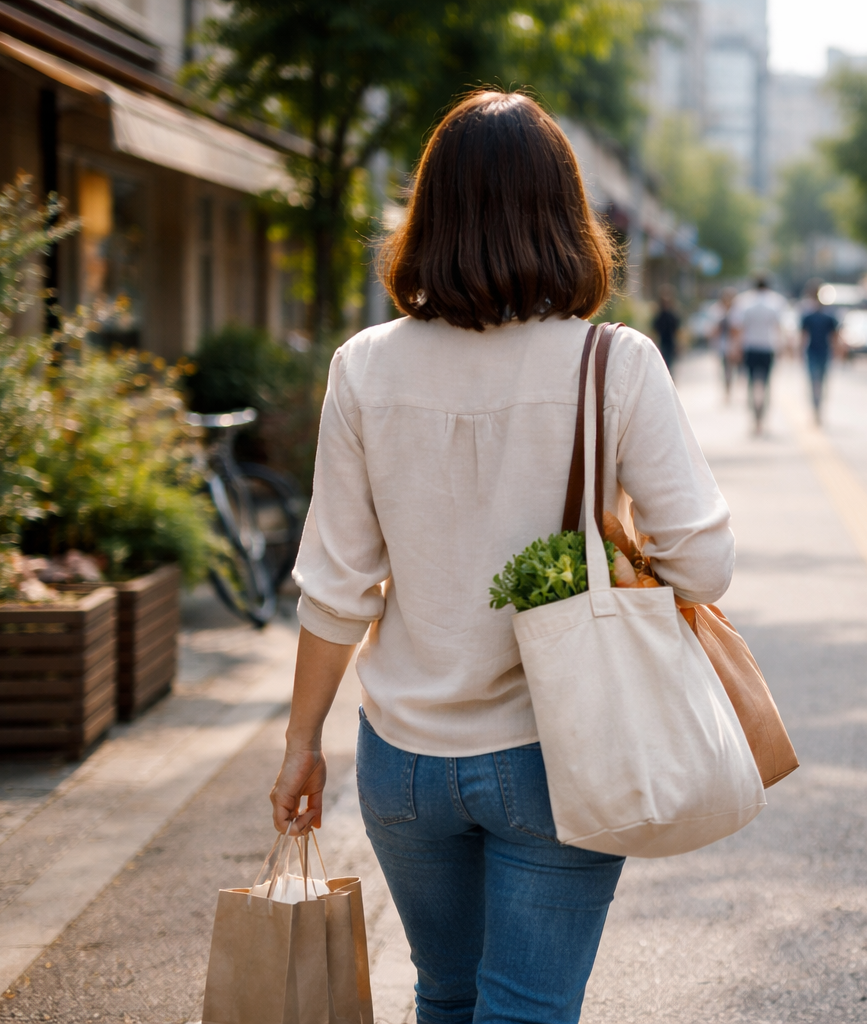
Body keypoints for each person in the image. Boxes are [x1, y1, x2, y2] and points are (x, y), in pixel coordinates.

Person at [270, 91, 735, 1024]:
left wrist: (299, 744)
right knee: (525, 1009)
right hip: (560, 746)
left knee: (446, 995)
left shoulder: (364, 366)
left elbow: (336, 586)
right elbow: (705, 566)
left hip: (401, 757)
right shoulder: (615, 362)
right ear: (567, 215)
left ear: (428, 216)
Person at [729, 273, 788, 435]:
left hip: (750, 347)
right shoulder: (776, 301)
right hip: (768, 347)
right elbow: (779, 327)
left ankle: (754, 417)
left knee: (750, 383)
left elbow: (738, 328)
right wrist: (782, 347)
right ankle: (762, 418)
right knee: (766, 383)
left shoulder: (744, 302)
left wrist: (736, 349)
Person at [798, 279, 840, 424]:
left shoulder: (813, 315)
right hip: (820, 352)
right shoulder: (824, 315)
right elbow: (834, 338)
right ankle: (817, 410)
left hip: (816, 352)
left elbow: (803, 337)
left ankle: (816, 410)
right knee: (820, 383)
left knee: (814, 383)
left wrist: (798, 352)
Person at [713, 286, 738, 402]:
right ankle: (727, 390)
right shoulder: (718, 311)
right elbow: (714, 330)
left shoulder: (736, 311)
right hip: (723, 345)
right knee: (725, 369)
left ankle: (730, 389)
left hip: (733, 345)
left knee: (731, 369)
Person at [651, 285, 681, 373]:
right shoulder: (659, 315)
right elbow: (654, 330)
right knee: (664, 364)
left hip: (671, 343)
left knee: (670, 365)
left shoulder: (673, 315)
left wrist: (679, 344)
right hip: (662, 343)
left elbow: (677, 330)